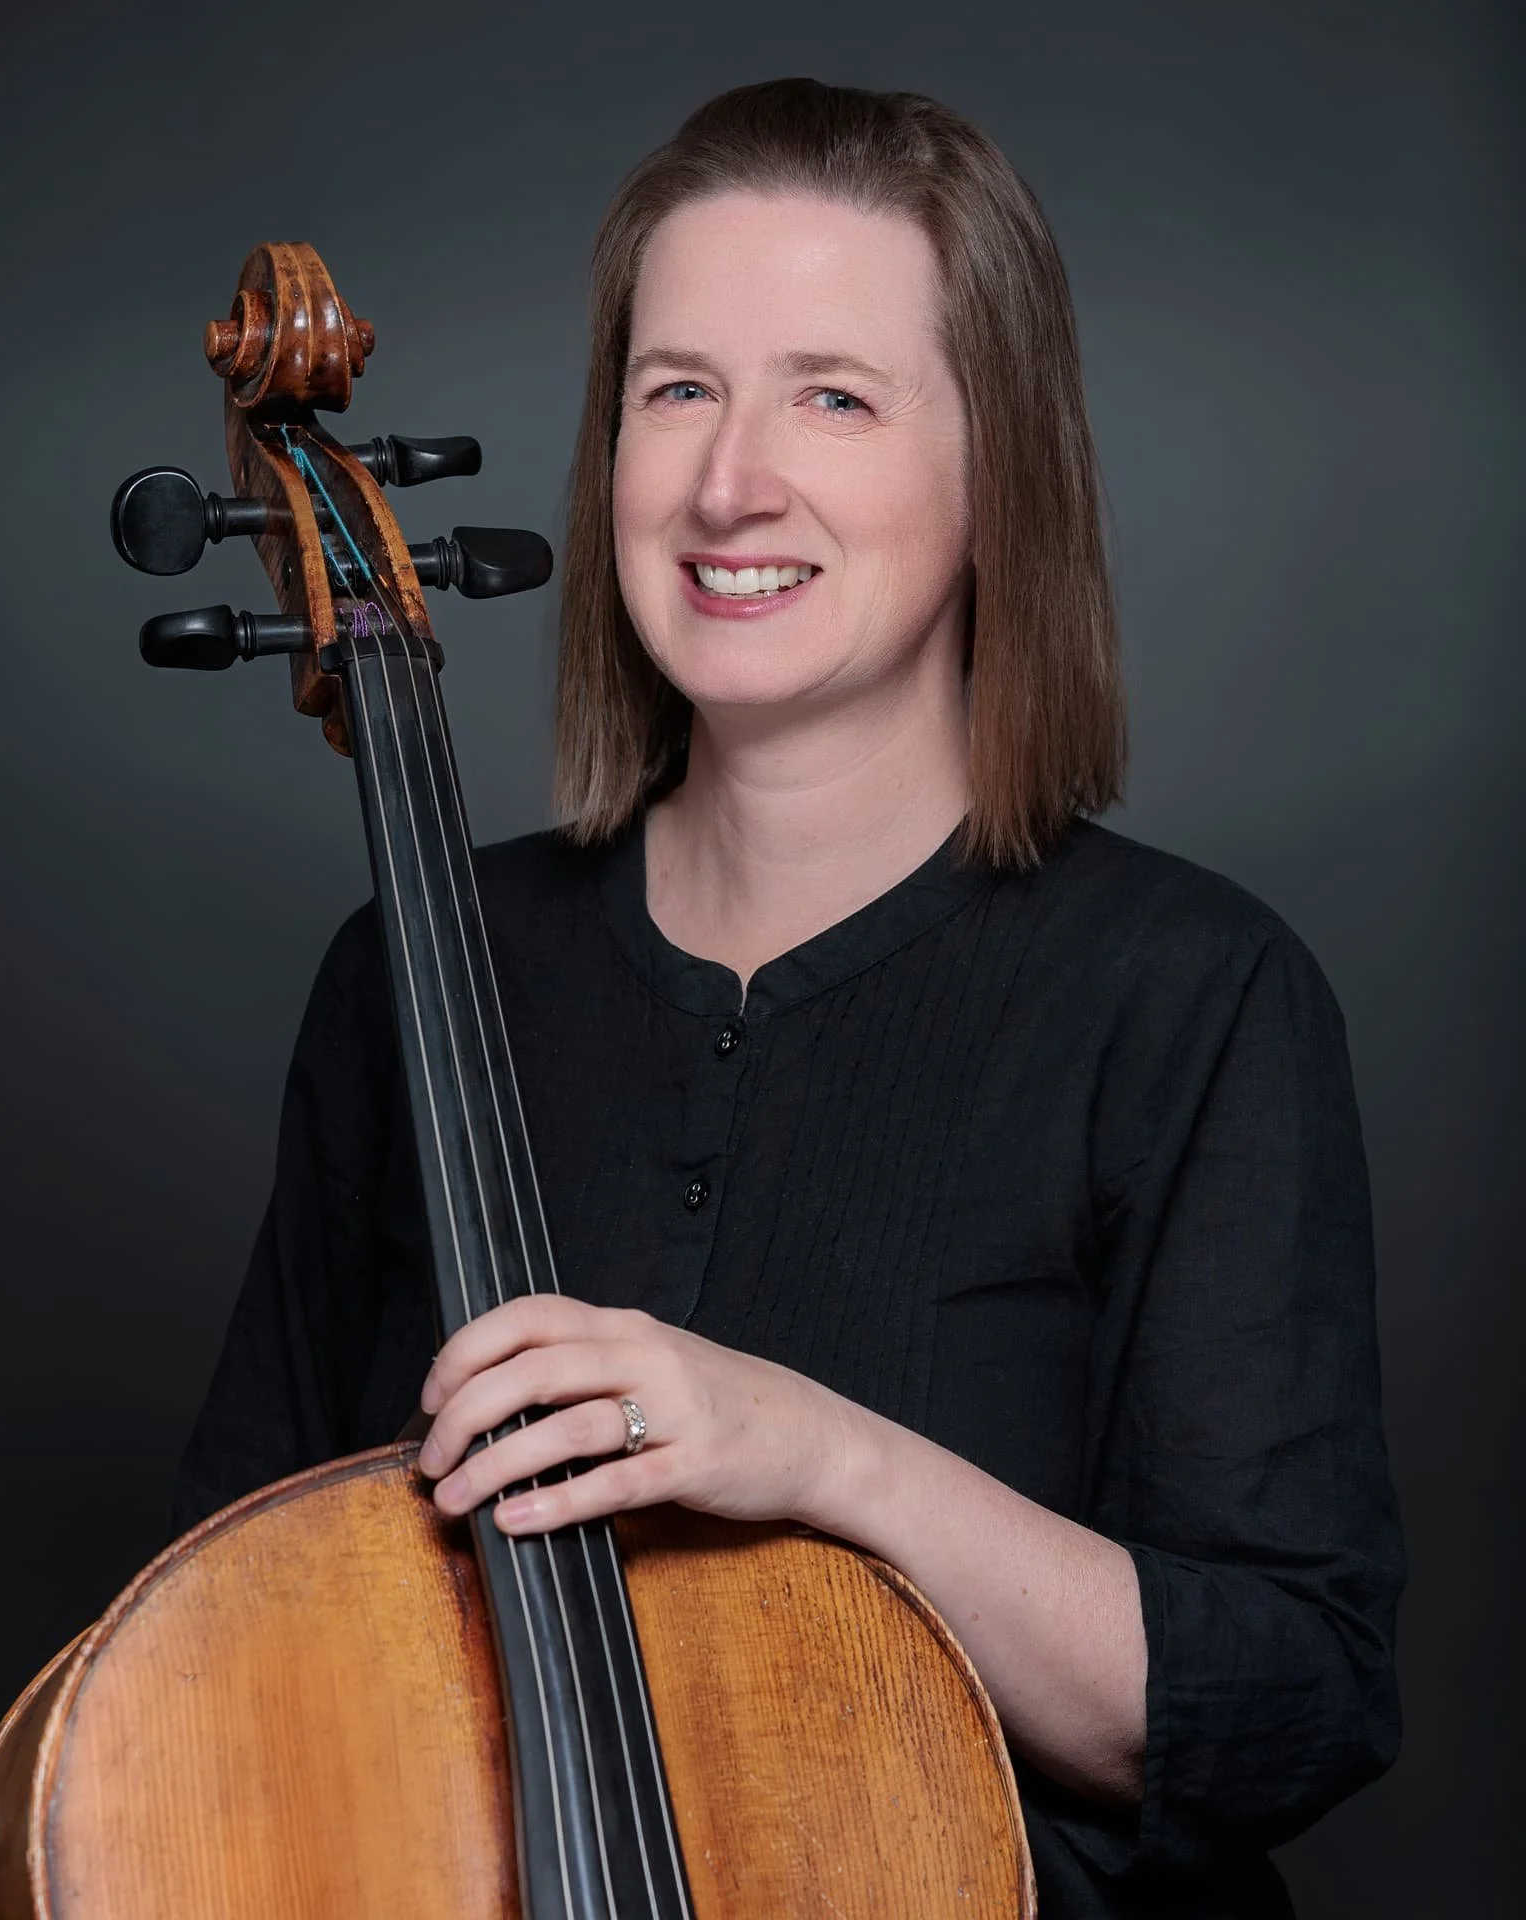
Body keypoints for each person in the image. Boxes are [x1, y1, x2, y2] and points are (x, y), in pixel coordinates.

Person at [175, 78, 1405, 1918]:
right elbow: (222, 1623)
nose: (730, 481)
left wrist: (816, 1451)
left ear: (1000, 469)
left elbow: (1289, 1702)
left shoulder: (1192, 999)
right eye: (678, 390)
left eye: (834, 393)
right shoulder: (417, 975)